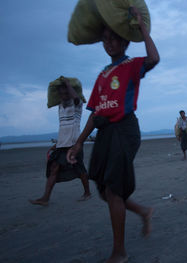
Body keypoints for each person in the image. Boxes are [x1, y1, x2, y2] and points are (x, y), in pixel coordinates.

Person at [67, 8, 159, 263]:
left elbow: (154, 58)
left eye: (114, 38)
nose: (109, 43)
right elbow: (95, 114)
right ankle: (143, 211)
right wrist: (78, 143)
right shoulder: (101, 76)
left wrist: (142, 27)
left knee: (115, 191)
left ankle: (119, 252)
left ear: (124, 41)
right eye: (105, 39)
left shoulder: (131, 66)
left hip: (125, 130)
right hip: (105, 132)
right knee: (106, 192)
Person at [29, 77, 91, 206]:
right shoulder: (60, 107)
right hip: (62, 145)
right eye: (61, 93)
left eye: (66, 93)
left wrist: (68, 85)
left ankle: (87, 193)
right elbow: (64, 128)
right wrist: (57, 144)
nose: (63, 96)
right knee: (54, 169)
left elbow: (76, 98)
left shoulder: (77, 105)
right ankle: (45, 198)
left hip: (74, 144)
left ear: (70, 92)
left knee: (80, 170)